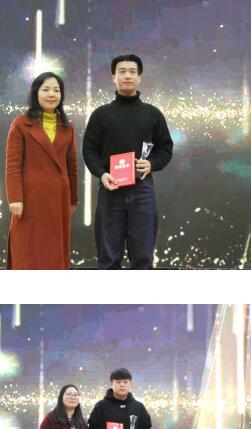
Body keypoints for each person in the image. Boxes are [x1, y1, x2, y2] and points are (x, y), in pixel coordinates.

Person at [82, 54, 174, 269]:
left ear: (140, 77)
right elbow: (89, 151)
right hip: (110, 190)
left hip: (143, 190)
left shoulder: (152, 114)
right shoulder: (101, 115)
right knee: (108, 259)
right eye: (122, 72)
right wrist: (102, 174)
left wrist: (152, 164)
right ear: (113, 77)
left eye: (132, 72)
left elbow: (165, 148)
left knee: (143, 258)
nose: (127, 76)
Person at [5, 71, 79, 269]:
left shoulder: (67, 128)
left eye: (56, 90)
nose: (51, 94)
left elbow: (72, 166)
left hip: (59, 198)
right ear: (36, 93)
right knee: (27, 248)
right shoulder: (21, 124)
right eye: (46, 89)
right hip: (30, 198)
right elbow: (13, 164)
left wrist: (73, 199)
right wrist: (15, 198)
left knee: (54, 249)